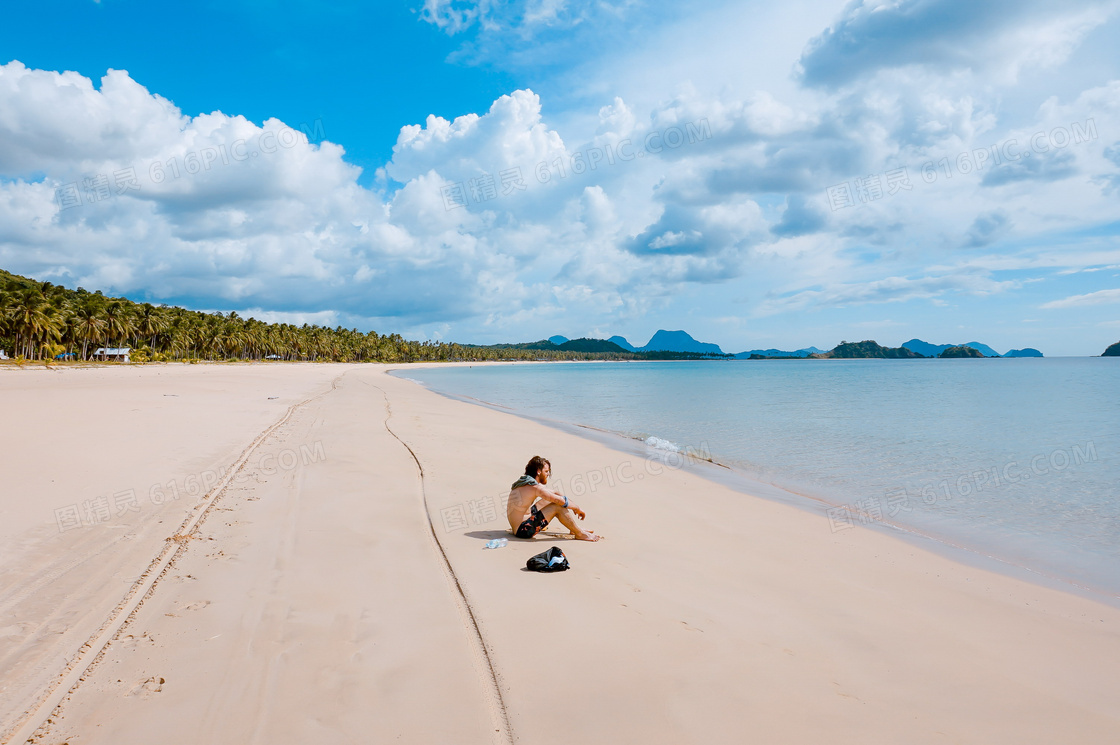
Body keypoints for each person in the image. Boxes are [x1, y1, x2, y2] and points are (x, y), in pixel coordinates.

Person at [507, 456, 600, 541]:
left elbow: (556, 494)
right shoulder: (534, 487)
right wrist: (577, 508)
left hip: (522, 521)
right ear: (538, 471)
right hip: (522, 530)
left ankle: (574, 528)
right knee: (557, 506)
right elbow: (559, 501)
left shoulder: (526, 482)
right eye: (546, 471)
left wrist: (572, 505)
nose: (548, 474)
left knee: (554, 496)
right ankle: (579, 533)